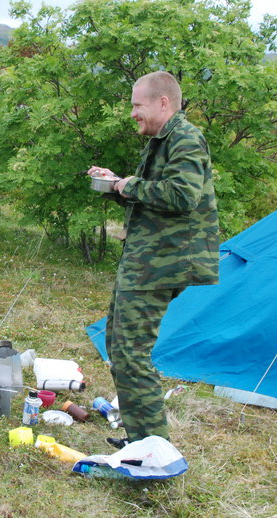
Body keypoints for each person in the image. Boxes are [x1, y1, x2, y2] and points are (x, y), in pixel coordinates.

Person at [87, 71, 219, 447]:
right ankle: (140, 436)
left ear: (163, 102)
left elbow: (182, 196)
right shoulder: (162, 140)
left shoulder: (186, 138)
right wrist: (117, 185)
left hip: (163, 263)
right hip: (147, 259)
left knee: (130, 350)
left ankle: (152, 448)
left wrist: (131, 185)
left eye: (137, 105)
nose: (132, 113)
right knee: (118, 343)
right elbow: (152, 197)